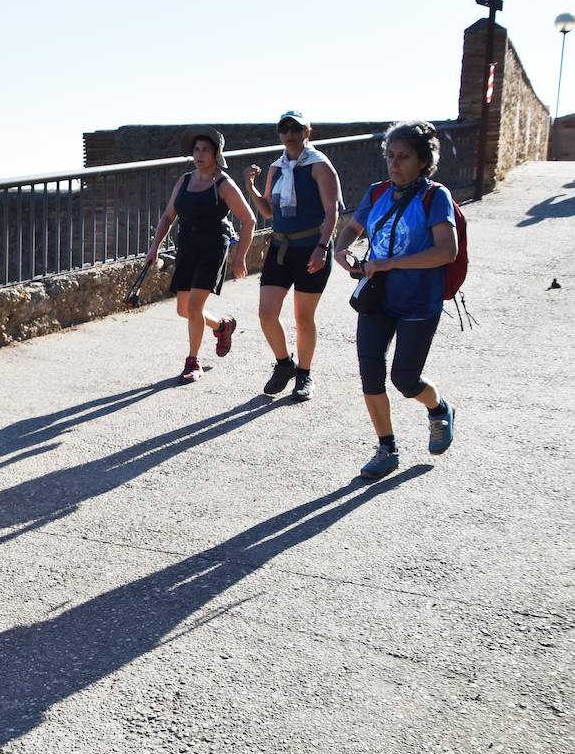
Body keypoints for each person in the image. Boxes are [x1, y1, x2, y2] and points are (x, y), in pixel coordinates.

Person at [332, 120, 458, 479]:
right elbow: (354, 228)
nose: (394, 163)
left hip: (418, 303)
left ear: (423, 160)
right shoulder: (376, 193)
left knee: (405, 379)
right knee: (370, 374)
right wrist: (342, 250)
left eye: (403, 157)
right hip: (377, 299)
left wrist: (390, 262)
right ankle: (387, 447)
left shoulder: (436, 197)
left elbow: (446, 251)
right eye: (390, 156)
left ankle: (438, 409)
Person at [243, 111, 342, 401]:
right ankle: (285, 364)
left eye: (295, 128)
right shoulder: (276, 167)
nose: (289, 134)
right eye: (284, 129)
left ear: (307, 131)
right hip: (281, 247)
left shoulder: (319, 166)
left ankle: (305, 374)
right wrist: (250, 188)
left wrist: (322, 247)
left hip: (312, 246)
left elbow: (332, 211)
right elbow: (268, 211)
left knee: (303, 316)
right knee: (266, 313)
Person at [145, 128, 257, 383]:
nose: (200, 154)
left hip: (212, 248)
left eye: (205, 149)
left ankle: (192, 362)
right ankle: (222, 326)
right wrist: (154, 248)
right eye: (196, 149)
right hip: (187, 247)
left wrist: (240, 257)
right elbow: (168, 216)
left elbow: (249, 220)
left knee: (195, 307)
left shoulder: (223, 183)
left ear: (216, 153)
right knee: (184, 310)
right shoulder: (184, 181)